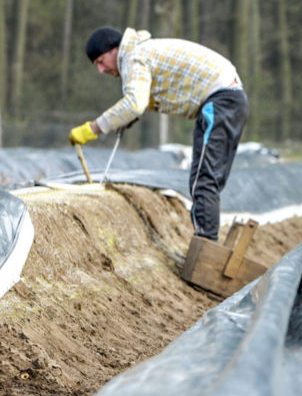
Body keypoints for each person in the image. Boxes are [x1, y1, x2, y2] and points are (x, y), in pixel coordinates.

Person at [69, 26, 248, 242]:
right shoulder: (143, 51)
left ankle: (206, 251)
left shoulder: (133, 57)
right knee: (209, 179)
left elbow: (135, 103)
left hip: (220, 102)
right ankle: (209, 246)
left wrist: (93, 128)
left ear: (114, 49)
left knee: (204, 180)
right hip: (229, 100)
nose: (101, 70)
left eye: (100, 61)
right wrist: (126, 117)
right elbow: (145, 99)